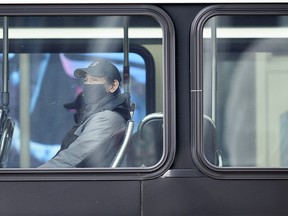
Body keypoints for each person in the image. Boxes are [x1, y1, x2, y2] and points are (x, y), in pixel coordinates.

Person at [40, 59, 131, 168]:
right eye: (86, 80)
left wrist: (34, 177)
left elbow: (72, 158)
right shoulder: (96, 114)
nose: (88, 84)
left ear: (113, 86)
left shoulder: (106, 119)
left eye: (94, 80)